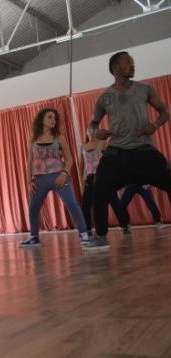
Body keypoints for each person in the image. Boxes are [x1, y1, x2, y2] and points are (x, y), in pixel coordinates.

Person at [84, 51, 170, 249]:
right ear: (116, 68)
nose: (133, 65)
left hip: (144, 150)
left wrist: (155, 125)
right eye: (128, 62)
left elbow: (164, 112)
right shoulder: (104, 97)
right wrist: (97, 133)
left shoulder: (145, 89)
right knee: (99, 190)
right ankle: (101, 236)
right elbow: (92, 124)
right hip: (116, 152)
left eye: (133, 62)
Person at [20, 108, 89, 247]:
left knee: (72, 204)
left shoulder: (59, 138)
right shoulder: (33, 139)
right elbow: (30, 161)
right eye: (50, 117)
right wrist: (29, 181)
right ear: (42, 120)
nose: (53, 120)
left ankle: (84, 235)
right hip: (39, 179)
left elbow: (69, 159)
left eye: (55, 118)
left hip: (59, 177)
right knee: (33, 208)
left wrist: (64, 174)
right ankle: (34, 238)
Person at [78, 131, 129, 236]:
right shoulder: (83, 147)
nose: (92, 132)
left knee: (114, 202)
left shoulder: (103, 144)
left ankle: (124, 225)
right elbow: (81, 165)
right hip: (90, 178)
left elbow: (112, 161)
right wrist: (81, 180)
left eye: (94, 130)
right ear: (87, 132)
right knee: (85, 205)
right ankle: (88, 229)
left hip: (104, 178)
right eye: (89, 130)